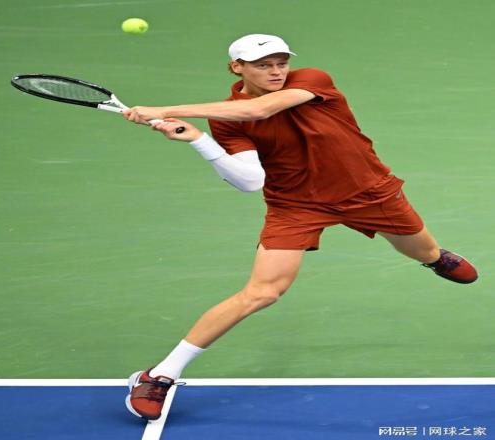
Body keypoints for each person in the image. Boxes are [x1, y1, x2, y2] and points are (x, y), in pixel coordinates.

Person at [122, 34, 478, 420]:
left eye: (281, 62)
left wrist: (164, 108)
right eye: (263, 65)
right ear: (237, 68)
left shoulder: (312, 79)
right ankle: (160, 374)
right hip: (296, 205)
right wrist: (198, 139)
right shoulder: (226, 117)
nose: (276, 71)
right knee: (262, 293)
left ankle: (433, 259)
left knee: (425, 250)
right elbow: (249, 181)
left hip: (366, 190)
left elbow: (261, 109)